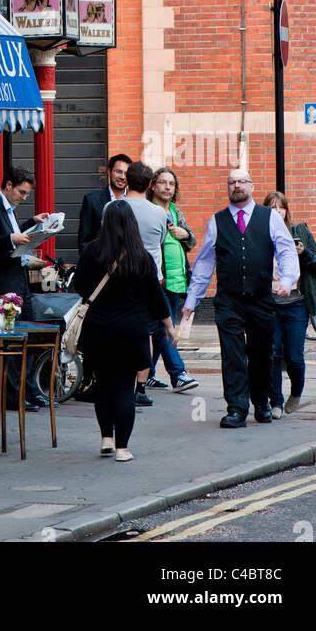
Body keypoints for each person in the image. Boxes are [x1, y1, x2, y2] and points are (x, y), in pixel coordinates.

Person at [182, 171, 300, 427]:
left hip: (260, 298)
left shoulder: (269, 218)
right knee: (232, 355)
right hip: (228, 300)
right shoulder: (216, 221)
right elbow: (204, 263)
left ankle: (261, 402)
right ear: (228, 187)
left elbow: (286, 250)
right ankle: (236, 409)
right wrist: (191, 301)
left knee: (261, 353)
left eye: (241, 181)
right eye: (232, 182)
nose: (236, 185)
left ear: (251, 186)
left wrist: (287, 281)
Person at [73, 199, 173, 462]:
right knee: (125, 388)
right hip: (131, 330)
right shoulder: (141, 257)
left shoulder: (93, 251)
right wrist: (169, 325)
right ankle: (122, 449)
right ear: (132, 224)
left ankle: (106, 438)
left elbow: (80, 286)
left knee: (103, 385)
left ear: (105, 223)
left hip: (99, 328)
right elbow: (155, 297)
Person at [0, 167, 52, 409]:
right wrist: (11, 239)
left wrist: (32, 223)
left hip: (18, 279)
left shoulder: (7, 208)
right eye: (21, 192)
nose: (24, 197)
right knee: (11, 339)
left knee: (26, 336)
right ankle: (13, 396)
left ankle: (29, 389)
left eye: (27, 193)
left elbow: (12, 234)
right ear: (8, 185)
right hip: (2, 282)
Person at [104, 160, 169, 406]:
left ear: (127, 181)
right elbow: (161, 239)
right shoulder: (159, 213)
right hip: (148, 278)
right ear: (151, 184)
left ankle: (117, 378)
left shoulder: (111, 207)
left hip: (117, 277)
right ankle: (140, 386)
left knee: (117, 328)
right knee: (147, 333)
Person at [262, 191, 316, 419]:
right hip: (270, 304)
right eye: (271, 207)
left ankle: (296, 393)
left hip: (296, 304)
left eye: (280, 207)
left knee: (294, 357)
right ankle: (276, 402)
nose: (276, 211)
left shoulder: (299, 232)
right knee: (273, 354)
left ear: (287, 211)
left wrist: (303, 253)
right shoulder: (261, 234)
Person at [145, 168, 198, 393]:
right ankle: (178, 374)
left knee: (160, 329)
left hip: (178, 280)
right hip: (159, 280)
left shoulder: (175, 211)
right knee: (166, 329)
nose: (168, 187)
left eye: (172, 184)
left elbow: (191, 240)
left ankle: (148, 374)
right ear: (153, 186)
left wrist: (186, 235)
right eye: (163, 183)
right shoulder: (150, 211)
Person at [78, 152, 131, 253]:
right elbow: (84, 241)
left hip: (128, 264)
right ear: (109, 171)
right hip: (99, 262)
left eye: (126, 173)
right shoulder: (91, 200)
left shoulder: (133, 201)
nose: (122, 177)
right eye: (118, 171)